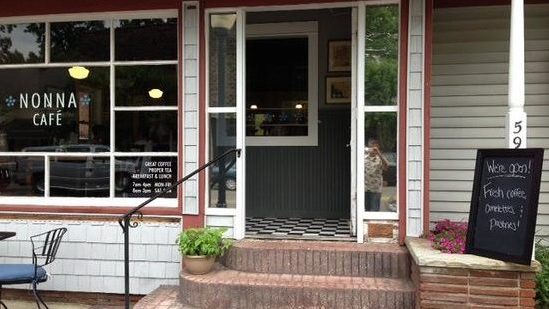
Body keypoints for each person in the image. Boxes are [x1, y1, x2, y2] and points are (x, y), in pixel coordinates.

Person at [364, 138, 389, 211]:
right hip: (364, 188)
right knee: (365, 211)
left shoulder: (380, 159)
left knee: (374, 211)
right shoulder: (363, 158)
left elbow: (387, 166)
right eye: (371, 147)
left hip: (376, 190)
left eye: (375, 147)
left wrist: (379, 153)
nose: (373, 150)